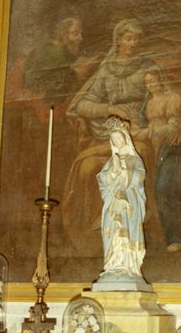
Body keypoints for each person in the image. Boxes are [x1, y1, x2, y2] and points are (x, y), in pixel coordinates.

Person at [62, 19, 154, 252]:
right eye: (128, 38)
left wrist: (144, 120)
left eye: (136, 39)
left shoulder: (146, 66)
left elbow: (160, 95)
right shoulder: (106, 69)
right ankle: (95, 228)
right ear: (118, 39)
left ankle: (129, 227)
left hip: (136, 131)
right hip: (107, 132)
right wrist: (110, 109)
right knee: (87, 168)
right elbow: (82, 105)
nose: (132, 44)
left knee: (130, 164)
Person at [138, 66, 181, 252]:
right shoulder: (147, 103)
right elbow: (145, 125)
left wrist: (149, 132)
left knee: (166, 189)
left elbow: (173, 127)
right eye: (147, 82)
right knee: (157, 191)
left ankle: (177, 238)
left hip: (171, 148)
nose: (150, 85)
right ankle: (167, 236)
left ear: (160, 80)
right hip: (155, 149)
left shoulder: (172, 99)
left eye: (153, 80)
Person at [97, 119, 146, 278]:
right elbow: (102, 179)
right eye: (114, 139)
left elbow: (140, 176)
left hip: (129, 201)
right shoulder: (111, 161)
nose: (117, 141)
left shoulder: (134, 159)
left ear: (125, 138)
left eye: (119, 138)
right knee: (112, 227)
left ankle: (127, 265)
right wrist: (113, 172)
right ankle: (112, 264)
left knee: (125, 227)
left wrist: (123, 172)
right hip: (112, 202)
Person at [23, 17, 83, 102]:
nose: (81, 38)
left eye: (80, 33)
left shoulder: (53, 46)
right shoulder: (55, 52)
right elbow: (55, 84)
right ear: (64, 35)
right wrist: (76, 73)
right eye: (75, 34)